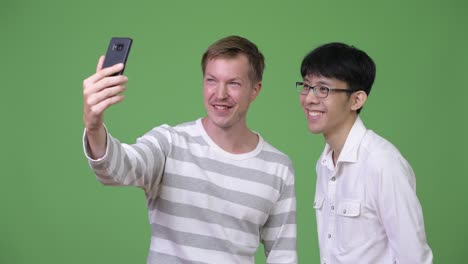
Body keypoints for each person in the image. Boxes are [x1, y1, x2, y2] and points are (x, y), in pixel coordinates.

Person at [82, 35, 297, 264]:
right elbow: (118, 169)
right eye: (211, 80)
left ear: (255, 90)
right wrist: (94, 127)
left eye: (233, 83)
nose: (220, 94)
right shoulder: (169, 143)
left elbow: (282, 256)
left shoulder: (278, 168)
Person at [296, 42, 433, 263]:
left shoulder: (382, 163)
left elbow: (414, 257)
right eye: (306, 86)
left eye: (323, 89)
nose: (310, 98)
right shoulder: (324, 164)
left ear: (356, 99)